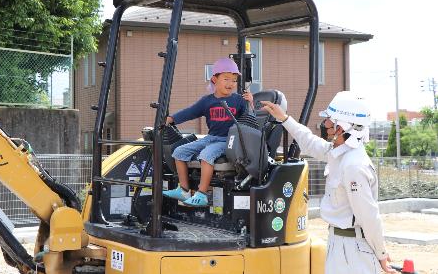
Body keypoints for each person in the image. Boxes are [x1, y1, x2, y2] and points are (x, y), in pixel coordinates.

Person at [261, 91, 396, 274]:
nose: (324, 124)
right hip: (340, 243)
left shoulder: (353, 165)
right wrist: (284, 118)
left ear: (342, 128)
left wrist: (381, 254)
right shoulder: (339, 153)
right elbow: (309, 141)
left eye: (329, 121)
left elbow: (369, 216)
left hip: (353, 250)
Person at [162, 57, 253, 207]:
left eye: (234, 80)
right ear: (214, 79)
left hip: (228, 141)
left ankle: (202, 194)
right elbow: (190, 112)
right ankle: (184, 190)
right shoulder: (207, 101)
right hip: (211, 137)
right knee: (179, 151)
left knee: (206, 155)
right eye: (226, 79)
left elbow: (251, 121)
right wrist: (171, 118)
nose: (231, 84)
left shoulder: (239, 101)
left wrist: (250, 103)